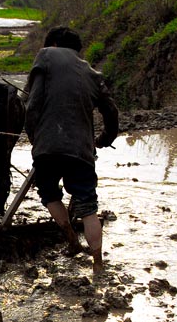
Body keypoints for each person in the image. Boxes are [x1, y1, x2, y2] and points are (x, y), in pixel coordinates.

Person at [22, 26, 119, 276]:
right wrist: (104, 139)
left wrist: (35, 139)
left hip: (48, 147)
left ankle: (72, 240)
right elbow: (111, 112)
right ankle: (98, 265)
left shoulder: (46, 56)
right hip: (80, 151)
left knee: (49, 193)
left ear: (53, 44)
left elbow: (32, 106)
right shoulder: (91, 72)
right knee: (88, 207)